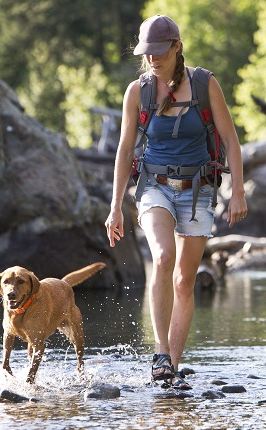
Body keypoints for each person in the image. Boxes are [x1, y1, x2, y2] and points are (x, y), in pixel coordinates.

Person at [105, 14, 247, 390]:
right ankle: (160, 353)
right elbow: (124, 149)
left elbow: (231, 141)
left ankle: (171, 370)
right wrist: (115, 205)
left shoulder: (205, 84)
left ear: (176, 47)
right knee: (163, 256)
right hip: (154, 186)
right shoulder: (138, 91)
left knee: (185, 281)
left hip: (199, 190)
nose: (151, 58)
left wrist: (239, 194)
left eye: (158, 51)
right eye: (145, 52)